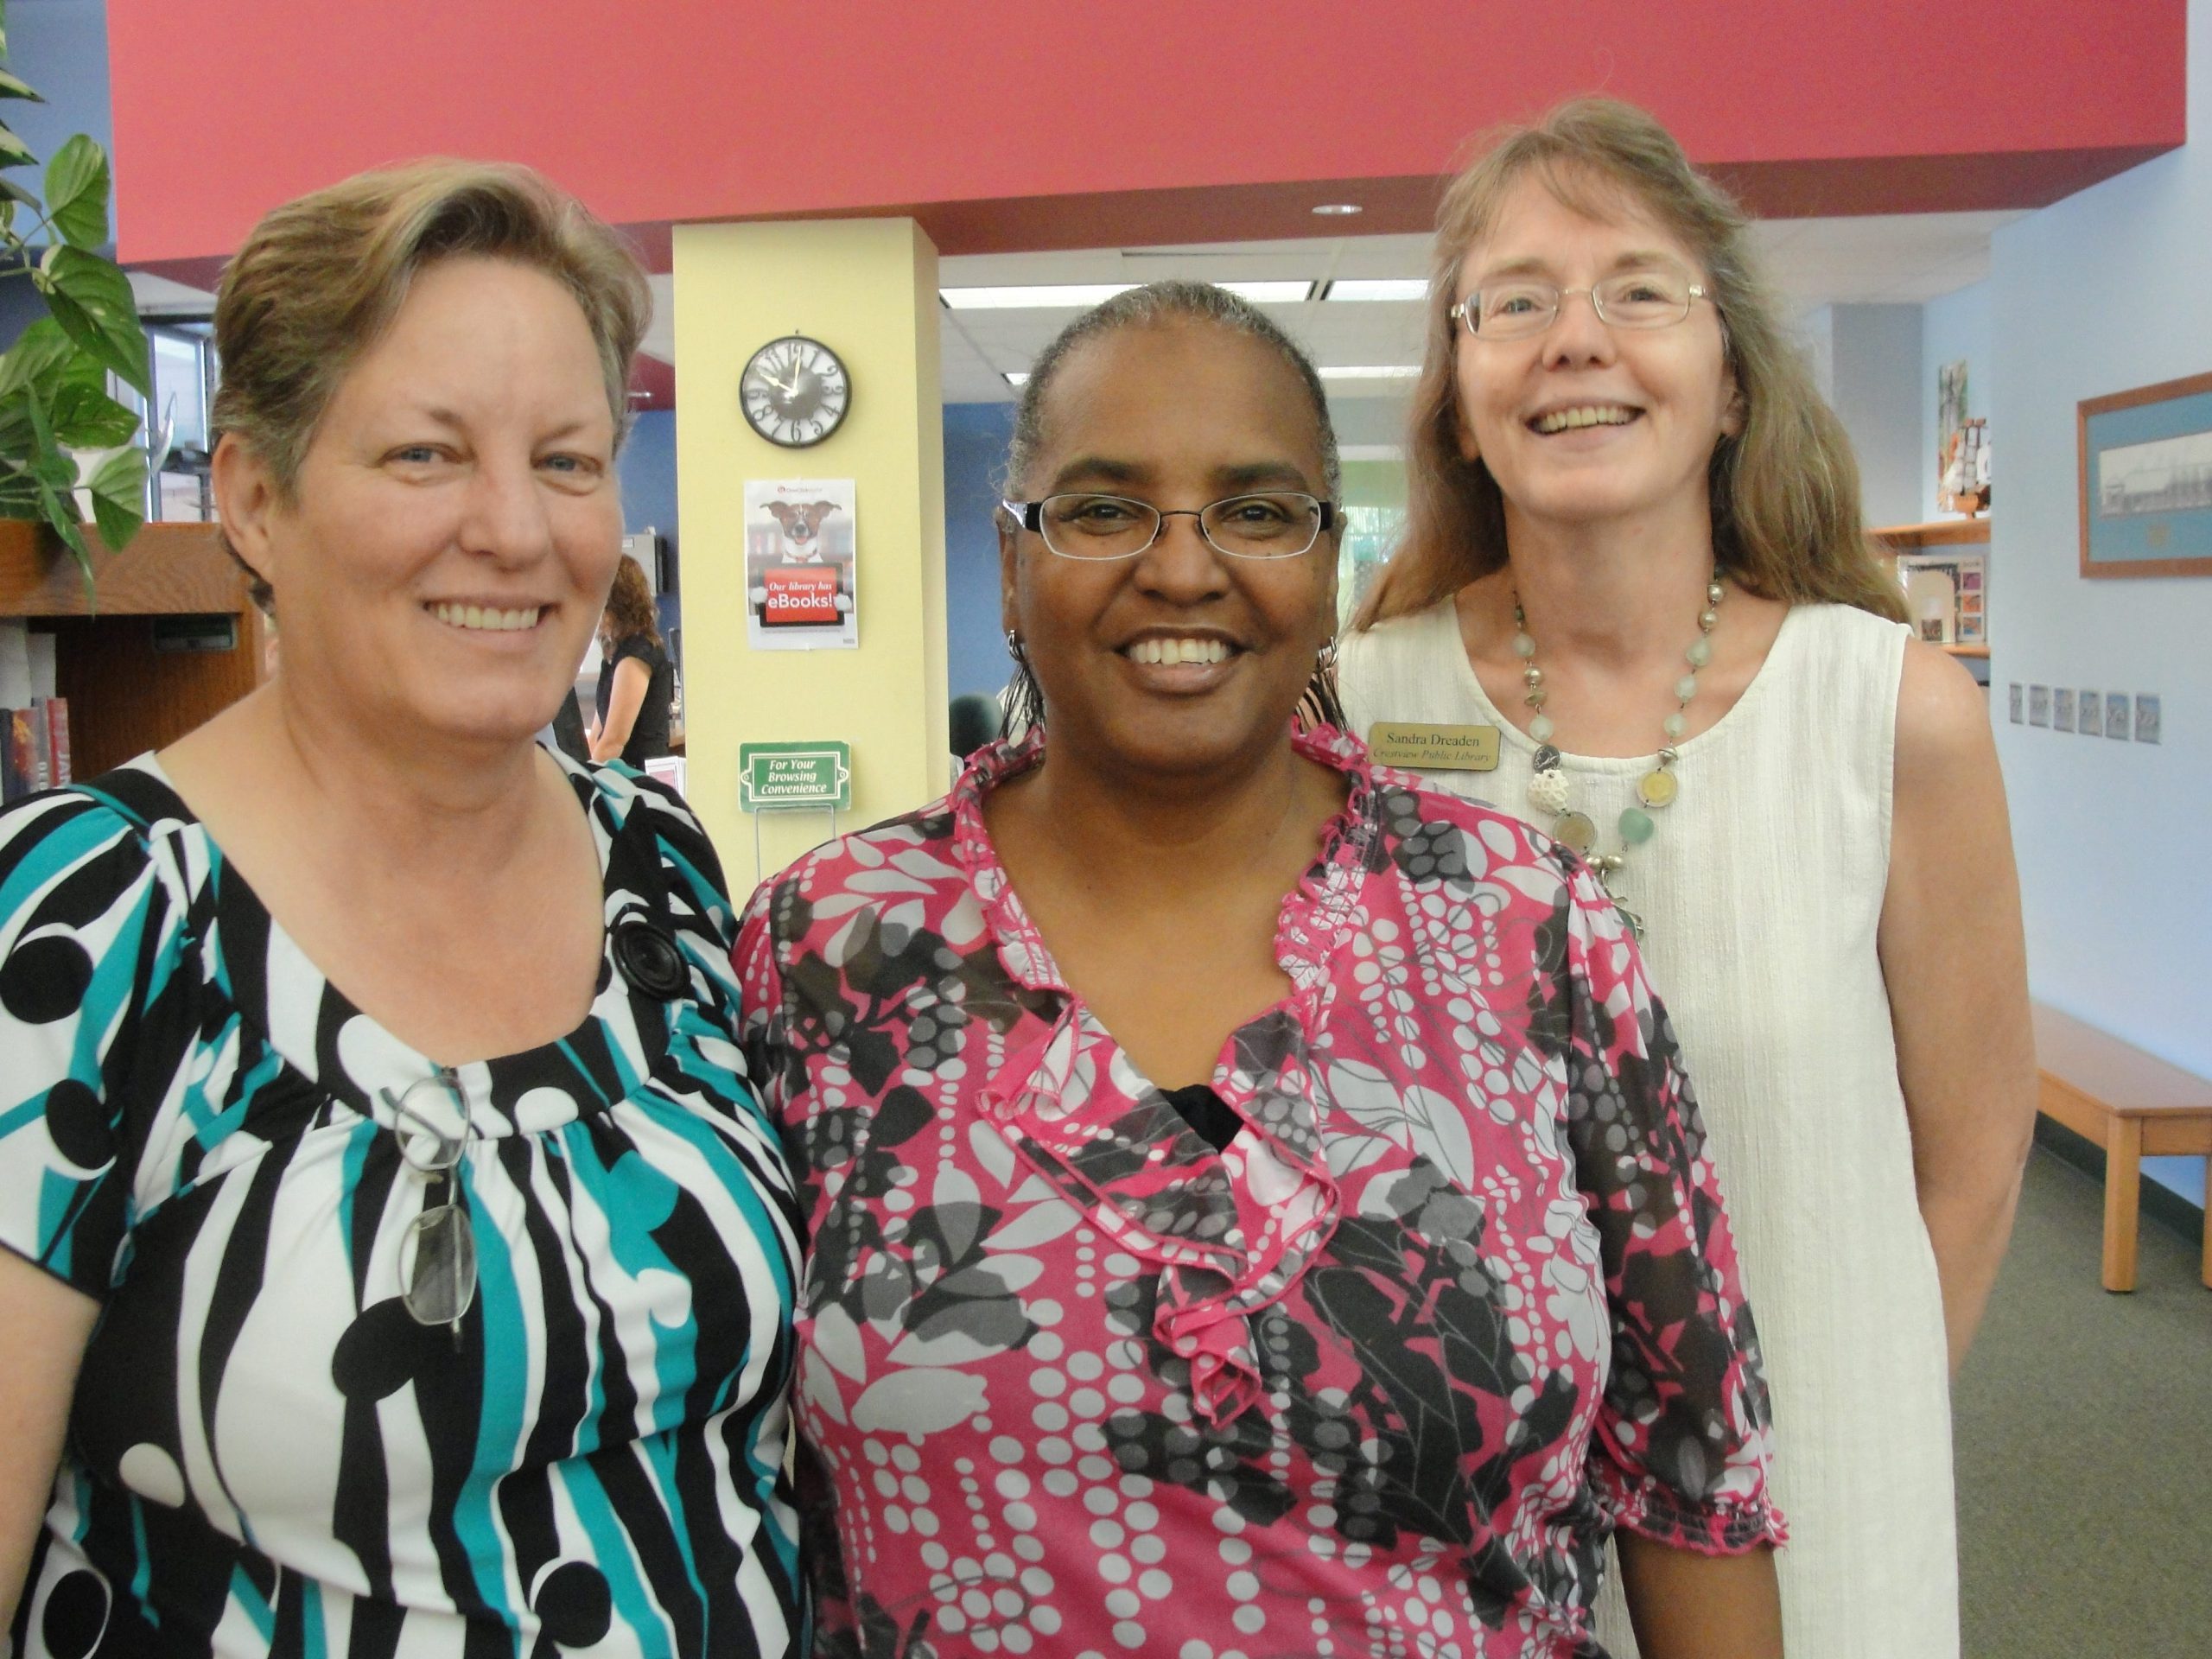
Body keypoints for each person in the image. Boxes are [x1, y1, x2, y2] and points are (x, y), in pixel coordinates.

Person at [739, 282, 1787, 1658]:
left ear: (1328, 560)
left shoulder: (1528, 926)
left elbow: (1690, 1470)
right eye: (1106, 510)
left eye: (1256, 510)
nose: (1183, 570)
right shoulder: (825, 950)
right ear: (1010, 563)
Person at [0, 162, 804, 1656]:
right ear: (252, 495)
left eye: (567, 463)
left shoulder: (655, 862)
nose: (514, 530)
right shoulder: (85, 920)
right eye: (427, 456)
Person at [1338, 99, 2036, 1658]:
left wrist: (1865, 1433)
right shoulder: (1358, 708)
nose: (1575, 340)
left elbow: (1978, 1163)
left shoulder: (1893, 712)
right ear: (1460, 399)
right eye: (1515, 301)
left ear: (1729, 384)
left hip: (1814, 1487)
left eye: (1639, 290)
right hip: (1459, 1511)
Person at [588, 552, 674, 766]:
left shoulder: (636, 656)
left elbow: (614, 741)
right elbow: (598, 734)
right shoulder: (615, 655)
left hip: (636, 779)